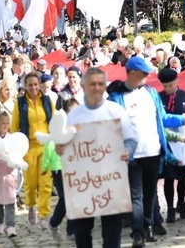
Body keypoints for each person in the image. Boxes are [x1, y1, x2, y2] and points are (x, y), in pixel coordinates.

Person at [107, 57, 185, 248]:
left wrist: (182, 120)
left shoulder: (151, 93)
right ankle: (137, 233)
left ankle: (149, 226)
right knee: (136, 196)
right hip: (131, 155)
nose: (147, 75)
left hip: (153, 151)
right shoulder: (118, 97)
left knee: (150, 194)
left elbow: (163, 118)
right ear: (132, 73)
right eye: (144, 72)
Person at [56, 68, 138, 248]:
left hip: (111, 179)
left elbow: (131, 139)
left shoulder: (116, 111)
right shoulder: (74, 115)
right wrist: (60, 148)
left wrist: (128, 151)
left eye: (100, 84)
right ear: (84, 86)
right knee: (82, 232)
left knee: (112, 231)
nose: (96, 88)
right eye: (92, 84)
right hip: (83, 181)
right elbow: (64, 144)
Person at [10, 71, 55, 228]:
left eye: (36, 84)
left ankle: (44, 214)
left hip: (46, 147)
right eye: (30, 85)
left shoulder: (47, 101)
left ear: (40, 85)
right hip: (28, 147)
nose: (34, 87)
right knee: (30, 183)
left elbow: (55, 122)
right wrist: (15, 146)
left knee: (45, 183)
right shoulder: (20, 103)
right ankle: (31, 206)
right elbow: (14, 126)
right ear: (25, 86)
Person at [157, 68, 185, 223]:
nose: (168, 89)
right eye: (165, 86)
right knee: (169, 176)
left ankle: (181, 203)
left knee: (183, 175)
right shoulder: (159, 97)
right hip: (167, 142)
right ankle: (170, 208)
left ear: (177, 81)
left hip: (183, 141)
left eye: (171, 85)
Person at [43, 98, 79, 243]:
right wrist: (45, 167)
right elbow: (49, 146)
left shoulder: (78, 129)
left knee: (73, 200)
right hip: (58, 169)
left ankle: (71, 230)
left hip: (74, 169)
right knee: (66, 199)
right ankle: (53, 222)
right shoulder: (59, 128)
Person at [0, 111, 19, 238]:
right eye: (2, 123)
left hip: (10, 173)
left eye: (7, 123)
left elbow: (17, 153)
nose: (5, 126)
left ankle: (10, 225)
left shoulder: (12, 139)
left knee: (11, 201)